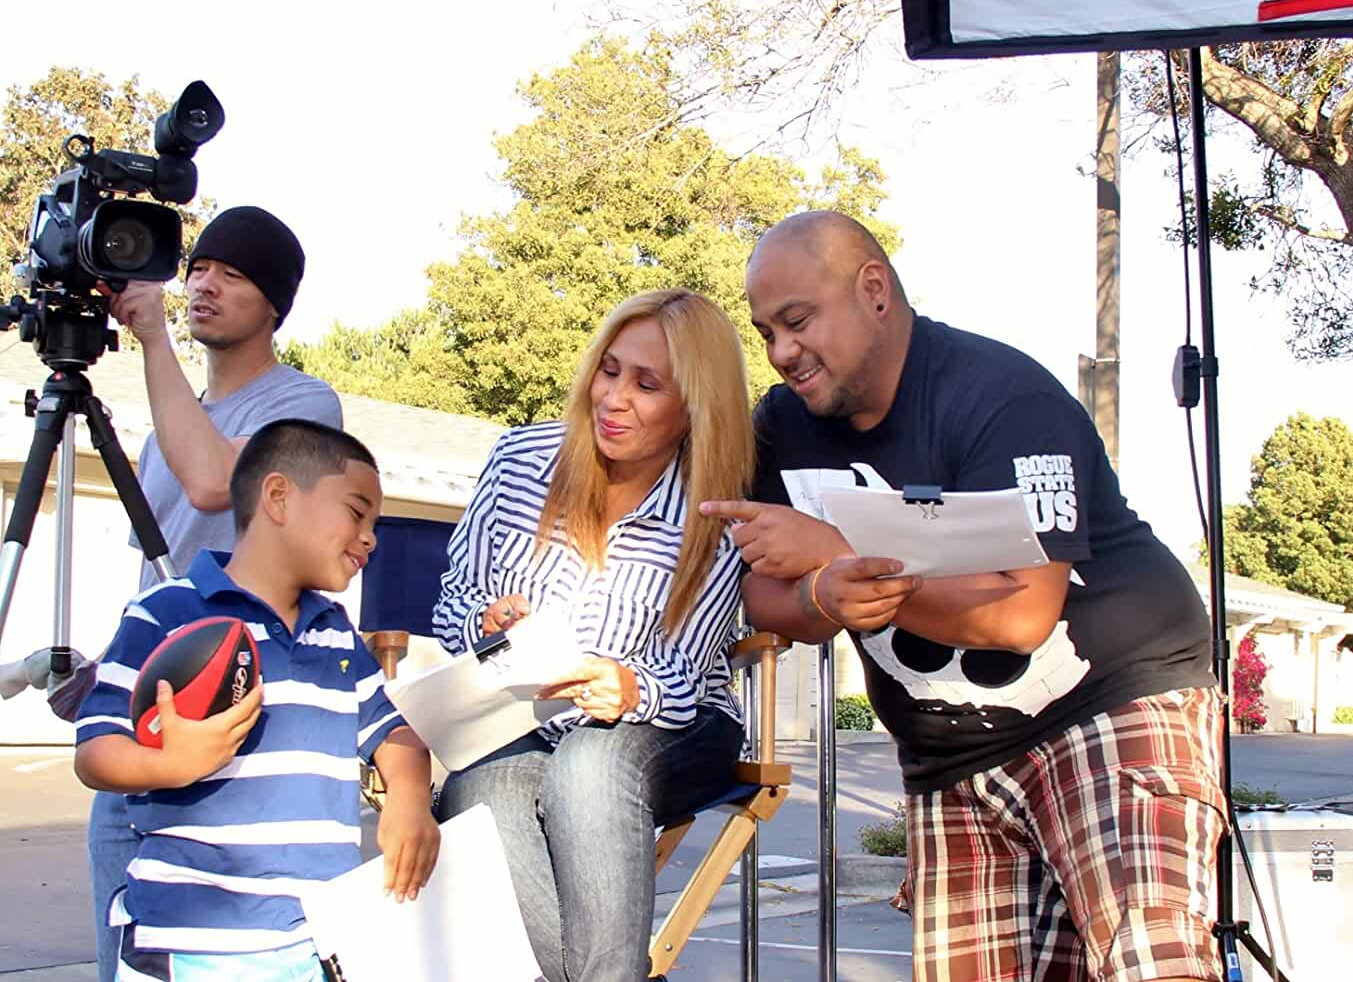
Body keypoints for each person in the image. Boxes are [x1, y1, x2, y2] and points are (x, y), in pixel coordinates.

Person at [703, 211, 1225, 982]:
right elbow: (758, 590)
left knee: (1151, 959)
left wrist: (837, 554)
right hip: (950, 758)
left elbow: (1019, 615)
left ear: (873, 290)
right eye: (766, 333)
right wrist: (824, 595)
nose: (781, 352)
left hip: (1107, 709)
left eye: (797, 321)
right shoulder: (782, 429)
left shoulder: (1002, 396)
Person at [430, 288, 755, 982]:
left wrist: (630, 687)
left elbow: (685, 677)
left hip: (673, 723)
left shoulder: (714, 508)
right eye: (608, 371)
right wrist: (485, 625)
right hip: (519, 721)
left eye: (647, 385)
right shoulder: (520, 460)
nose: (613, 398)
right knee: (480, 793)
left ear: (694, 406)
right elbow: (453, 600)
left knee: (589, 765)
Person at [74, 419, 440, 981]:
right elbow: (96, 750)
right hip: (187, 943)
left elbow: (394, 731)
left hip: (318, 944)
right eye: (356, 512)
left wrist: (410, 800)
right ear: (278, 497)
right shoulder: (167, 611)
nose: (370, 537)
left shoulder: (335, 634)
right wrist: (171, 763)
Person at [82, 205, 343, 982]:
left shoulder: (305, 407)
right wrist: (111, 666)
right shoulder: (168, 426)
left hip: (242, 718)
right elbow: (159, 574)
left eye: (233, 275)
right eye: (198, 269)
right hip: (150, 714)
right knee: (127, 954)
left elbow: (211, 484)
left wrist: (152, 338)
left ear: (274, 305)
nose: (205, 286)